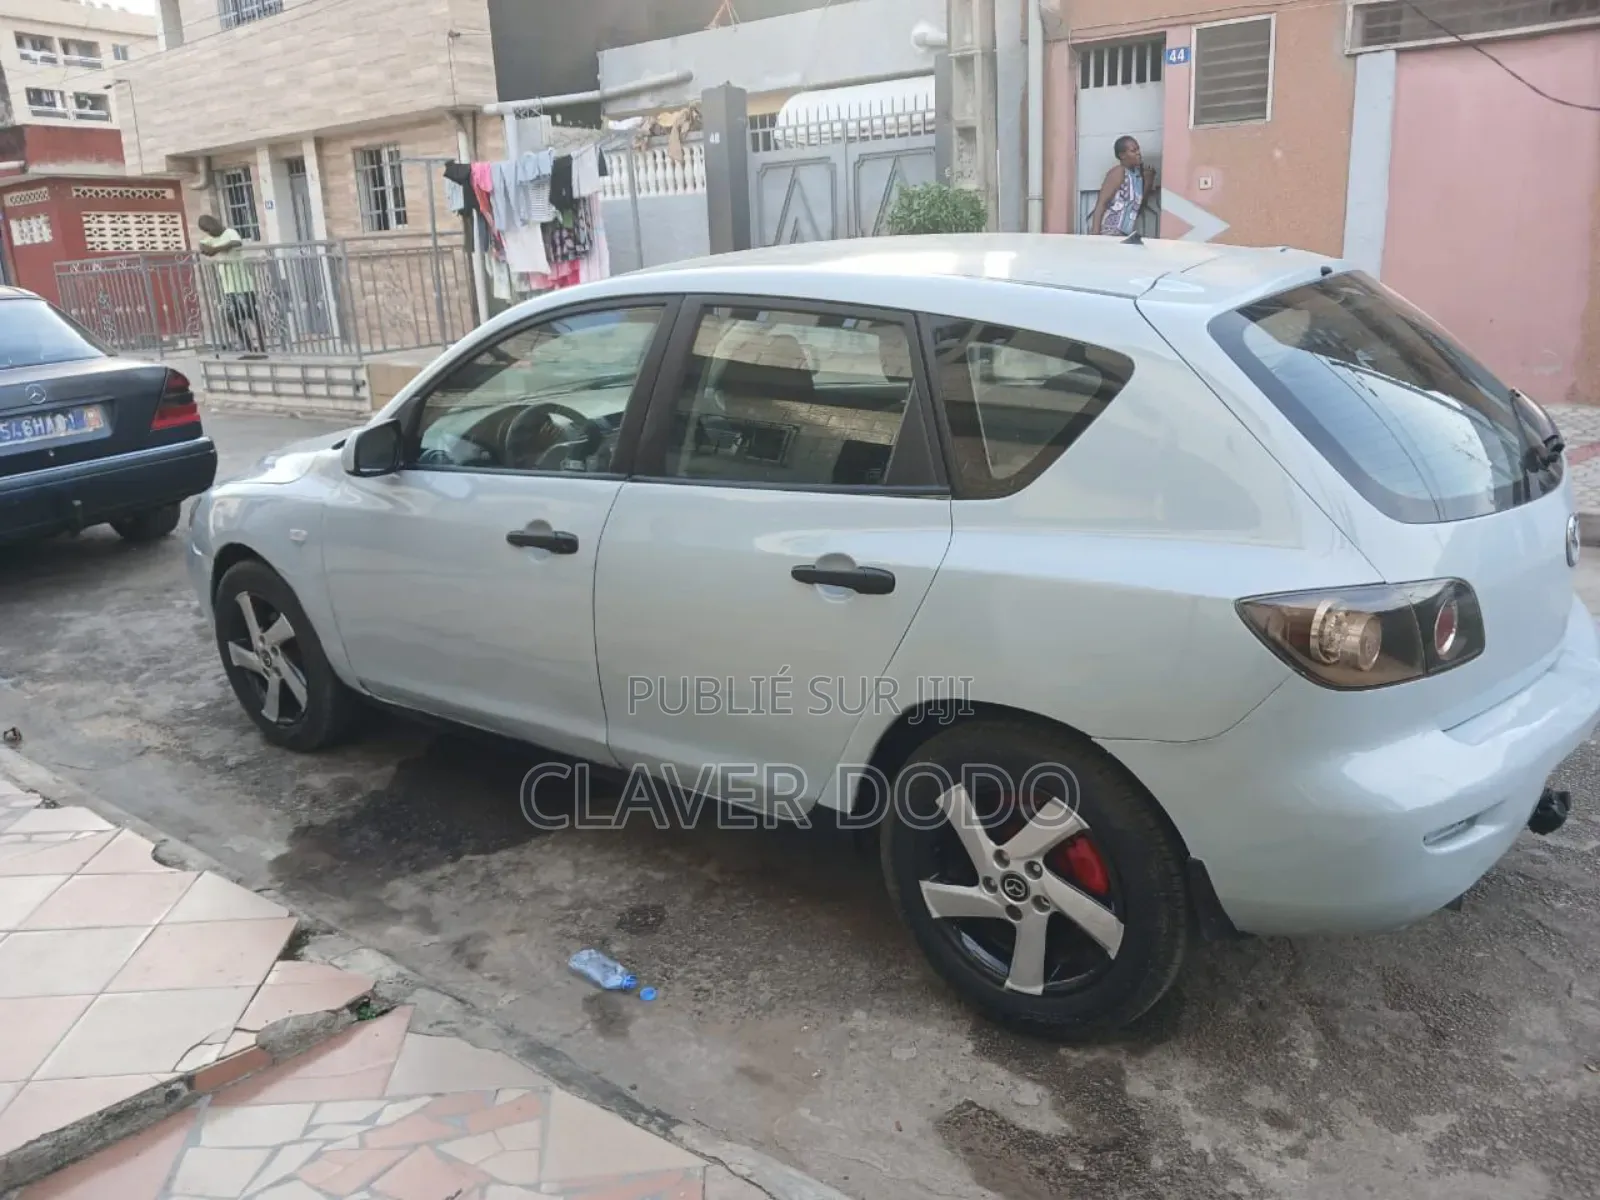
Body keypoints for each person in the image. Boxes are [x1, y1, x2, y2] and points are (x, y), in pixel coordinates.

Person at [197, 214, 264, 356]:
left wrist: (217, 249)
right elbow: (203, 247)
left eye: (211, 228)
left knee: (253, 315)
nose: (211, 232)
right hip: (229, 288)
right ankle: (250, 348)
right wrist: (212, 248)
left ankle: (262, 348)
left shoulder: (229, 232)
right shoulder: (211, 238)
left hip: (243, 284)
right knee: (231, 318)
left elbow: (236, 243)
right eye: (208, 230)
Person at [1089, 135, 1157, 238]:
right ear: (1122, 155)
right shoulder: (1119, 172)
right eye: (1133, 151)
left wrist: (1148, 181)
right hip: (1108, 233)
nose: (1138, 153)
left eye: (1138, 149)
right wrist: (1095, 237)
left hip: (1125, 235)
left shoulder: (1138, 176)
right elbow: (1101, 204)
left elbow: (1139, 206)